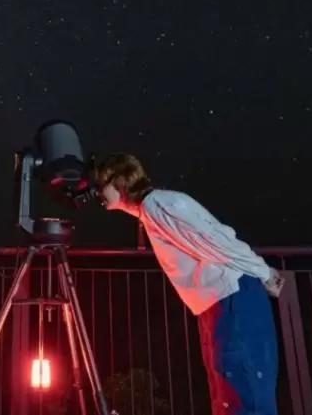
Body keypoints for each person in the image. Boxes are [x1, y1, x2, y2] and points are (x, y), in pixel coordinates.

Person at [96, 153, 285, 415]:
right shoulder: (153, 209)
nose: (97, 192)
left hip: (232, 298)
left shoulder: (159, 205)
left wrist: (263, 272)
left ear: (119, 180)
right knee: (231, 396)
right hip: (220, 302)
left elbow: (216, 240)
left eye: (100, 183)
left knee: (245, 396)